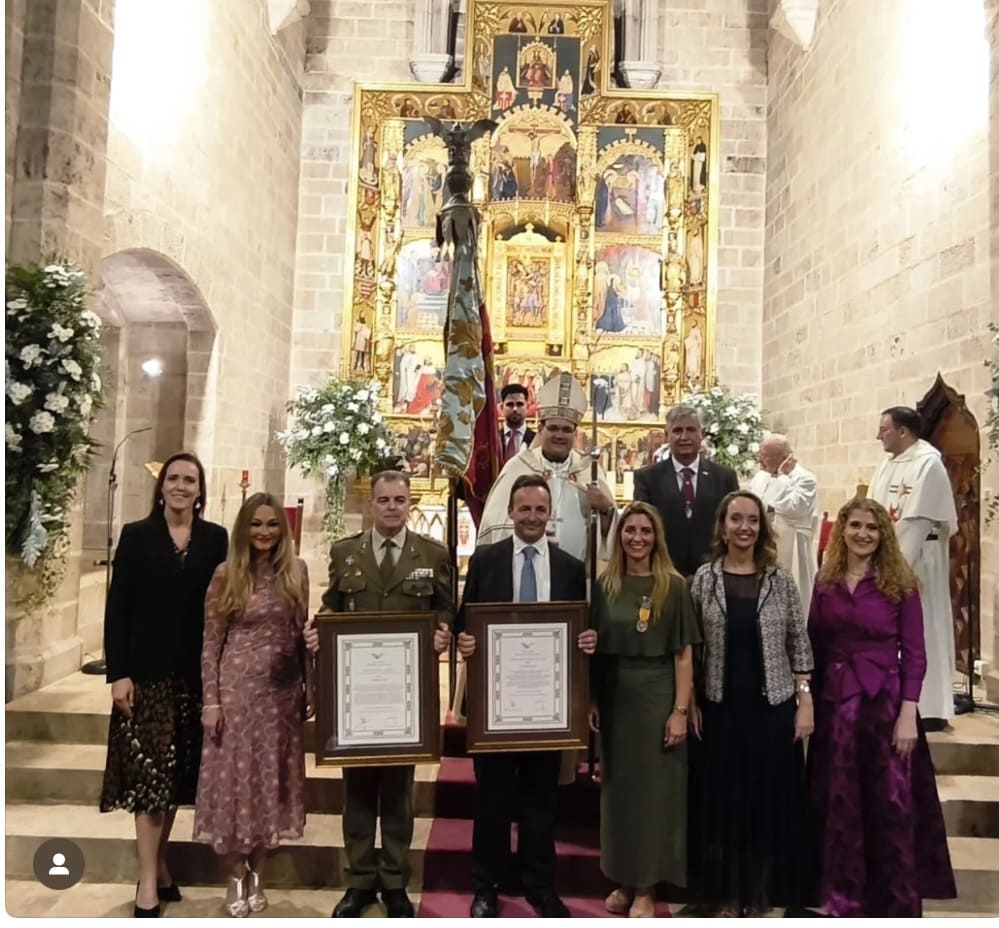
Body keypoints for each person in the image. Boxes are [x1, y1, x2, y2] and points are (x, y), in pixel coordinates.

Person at [304, 471, 452, 918]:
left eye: (400, 500)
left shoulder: (432, 554)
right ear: (372, 504)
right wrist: (319, 628)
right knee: (358, 791)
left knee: (398, 790)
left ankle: (394, 881)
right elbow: (332, 604)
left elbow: (444, 607)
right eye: (384, 500)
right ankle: (359, 880)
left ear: (410, 503)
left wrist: (443, 632)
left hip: (405, 699)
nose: (391, 507)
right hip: (357, 698)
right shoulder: (345, 552)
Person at [456, 475, 597, 918]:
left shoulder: (572, 568)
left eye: (540, 510)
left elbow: (578, 629)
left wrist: (587, 639)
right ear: (511, 513)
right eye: (525, 509)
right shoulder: (486, 560)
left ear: (549, 515)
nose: (532, 517)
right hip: (497, 703)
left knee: (541, 800)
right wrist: (466, 641)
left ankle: (540, 885)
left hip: (546, 705)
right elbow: (466, 621)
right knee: (493, 799)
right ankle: (487, 885)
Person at [808, 499, 956, 916]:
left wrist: (910, 711)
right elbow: (812, 644)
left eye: (872, 528)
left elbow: (915, 653)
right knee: (840, 801)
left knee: (889, 805)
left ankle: (892, 901)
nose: (862, 534)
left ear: (883, 534)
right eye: (855, 526)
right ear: (842, 532)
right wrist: (807, 700)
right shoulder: (826, 580)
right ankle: (840, 896)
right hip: (836, 704)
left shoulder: (899, 583)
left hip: (886, 707)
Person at [100, 452, 228, 917]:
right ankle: (147, 883)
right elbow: (118, 610)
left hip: (193, 676)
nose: (180, 485)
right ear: (162, 487)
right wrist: (119, 673)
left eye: (189, 479)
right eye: (173, 478)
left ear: (200, 489)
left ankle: (161, 866)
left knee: (174, 780)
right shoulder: (137, 537)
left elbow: (223, 607)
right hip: (146, 676)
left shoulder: (215, 539)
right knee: (150, 782)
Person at [689, 491, 816, 916]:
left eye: (752, 520)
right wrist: (688, 703)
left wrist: (804, 701)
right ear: (722, 526)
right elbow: (691, 647)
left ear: (761, 528)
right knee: (725, 802)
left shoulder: (781, 581)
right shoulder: (704, 579)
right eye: (736, 519)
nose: (744, 528)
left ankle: (761, 892)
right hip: (720, 707)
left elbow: (799, 643)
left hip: (772, 709)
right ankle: (726, 893)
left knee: (765, 802)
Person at [194, 494, 311, 917]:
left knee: (270, 787)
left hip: (280, 698)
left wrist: (308, 691)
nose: (264, 532)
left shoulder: (297, 573)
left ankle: (258, 873)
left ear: (283, 529)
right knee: (235, 787)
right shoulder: (226, 575)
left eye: (272, 525)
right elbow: (211, 643)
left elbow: (301, 638)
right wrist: (212, 701)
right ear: (244, 529)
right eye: (256, 525)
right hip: (237, 694)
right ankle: (233, 876)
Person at [590, 503, 700, 917]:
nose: (637, 538)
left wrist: (680, 710)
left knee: (655, 797)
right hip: (618, 699)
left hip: (657, 698)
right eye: (629, 530)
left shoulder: (672, 586)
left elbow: (684, 654)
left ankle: (647, 888)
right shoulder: (606, 585)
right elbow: (596, 651)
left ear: (657, 537)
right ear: (619, 536)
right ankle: (622, 876)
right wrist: (595, 700)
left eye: (645, 531)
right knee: (620, 795)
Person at [869, 406, 958, 731]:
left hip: (918, 558)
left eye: (884, 429)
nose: (879, 435)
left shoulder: (928, 463)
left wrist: (891, 564)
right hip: (890, 555)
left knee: (923, 627)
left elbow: (917, 521)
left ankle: (929, 706)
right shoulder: (888, 463)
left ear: (903, 431)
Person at [477, 371, 618, 563]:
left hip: (575, 576)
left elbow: (609, 535)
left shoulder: (588, 470)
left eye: (566, 430)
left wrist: (605, 509)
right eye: (553, 428)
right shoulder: (519, 467)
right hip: (524, 569)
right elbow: (495, 524)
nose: (559, 435)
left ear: (575, 434)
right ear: (541, 429)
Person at [633, 405, 739, 581]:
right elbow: (644, 527)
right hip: (663, 575)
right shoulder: (647, 478)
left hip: (714, 576)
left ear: (701, 434)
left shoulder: (724, 477)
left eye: (690, 430)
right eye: (677, 431)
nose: (684, 437)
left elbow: (730, 527)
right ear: (667, 436)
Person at [748, 433, 818, 611]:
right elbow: (755, 506)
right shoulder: (761, 477)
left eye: (765, 456)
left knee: (793, 598)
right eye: (760, 455)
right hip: (764, 544)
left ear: (783, 457)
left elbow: (793, 508)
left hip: (792, 546)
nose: (760, 461)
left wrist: (783, 478)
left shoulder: (805, 478)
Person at [499, 382, 536, 462]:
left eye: (519, 404)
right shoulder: (494, 440)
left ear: (527, 407)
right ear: (502, 408)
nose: (515, 409)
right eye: (510, 404)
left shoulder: (536, 441)